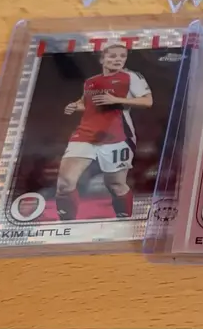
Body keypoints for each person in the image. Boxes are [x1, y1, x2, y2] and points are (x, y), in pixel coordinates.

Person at [56, 43, 153, 221]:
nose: (118, 60)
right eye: (112, 56)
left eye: (122, 56)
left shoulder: (131, 77)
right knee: (65, 183)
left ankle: (123, 219)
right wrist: (75, 106)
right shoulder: (91, 81)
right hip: (85, 134)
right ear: (102, 59)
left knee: (115, 184)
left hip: (117, 136)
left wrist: (116, 99)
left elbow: (147, 101)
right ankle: (66, 223)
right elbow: (87, 103)